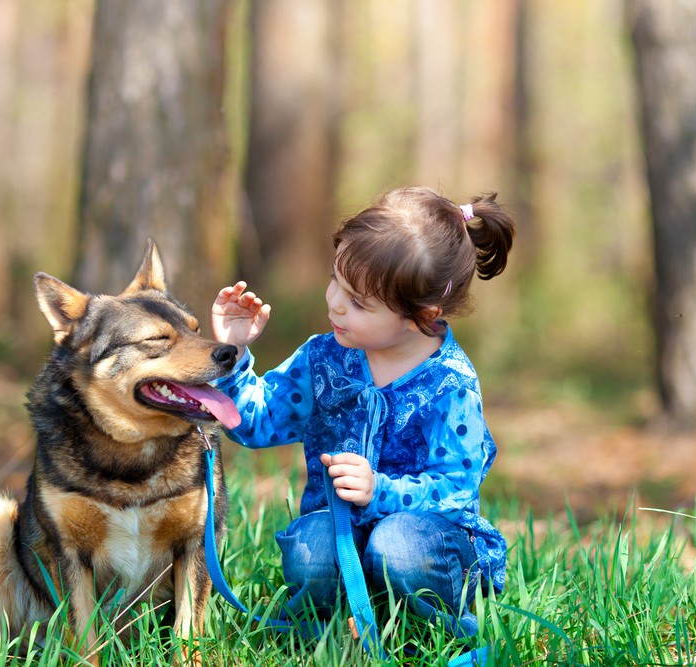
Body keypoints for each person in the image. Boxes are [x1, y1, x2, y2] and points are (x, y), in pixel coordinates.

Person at [210, 186, 514, 639]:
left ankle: (430, 629)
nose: (335, 302)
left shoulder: (450, 383)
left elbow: (454, 489)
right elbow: (255, 422)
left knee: (399, 548)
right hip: (339, 528)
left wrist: (380, 490)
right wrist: (232, 351)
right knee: (310, 551)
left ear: (421, 315)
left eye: (359, 302)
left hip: (425, 541)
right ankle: (335, 627)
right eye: (336, 280)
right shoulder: (322, 359)